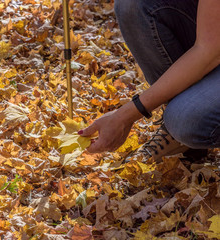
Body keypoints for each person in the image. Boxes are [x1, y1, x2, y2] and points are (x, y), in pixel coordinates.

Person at [78, 0, 220, 161]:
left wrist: (124, 116)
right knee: (132, 5)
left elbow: (209, 51)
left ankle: (192, 119)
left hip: (212, 48)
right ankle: (179, 138)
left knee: (186, 120)